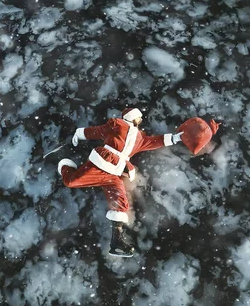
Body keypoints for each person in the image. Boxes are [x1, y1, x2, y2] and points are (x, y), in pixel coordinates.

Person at [58, 107, 183, 257]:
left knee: (120, 204)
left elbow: (154, 141)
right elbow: (97, 131)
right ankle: (65, 164)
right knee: (71, 181)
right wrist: (80, 133)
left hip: (114, 173)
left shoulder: (139, 138)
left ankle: (117, 242)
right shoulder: (117, 125)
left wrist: (175, 138)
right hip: (102, 163)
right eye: (139, 117)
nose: (141, 120)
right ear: (133, 117)